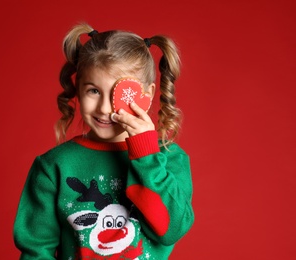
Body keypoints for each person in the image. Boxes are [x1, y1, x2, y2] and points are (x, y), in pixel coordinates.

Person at [13, 22, 194, 259]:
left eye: (119, 94)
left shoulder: (169, 159)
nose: (105, 108)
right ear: (77, 88)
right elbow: (36, 249)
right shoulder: (53, 166)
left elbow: (171, 230)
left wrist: (147, 155)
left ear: (146, 95)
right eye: (93, 91)